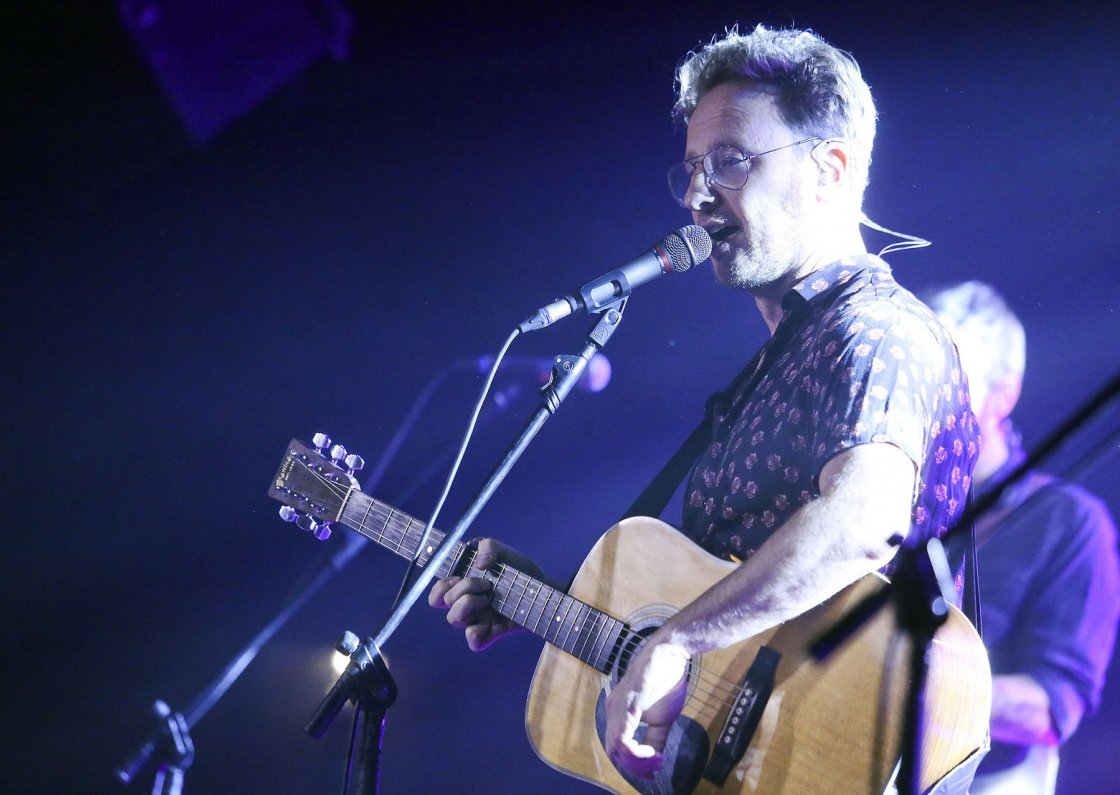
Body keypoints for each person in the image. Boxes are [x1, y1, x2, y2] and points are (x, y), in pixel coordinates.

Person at [429, 25, 979, 786]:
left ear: (830, 168)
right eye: (690, 169)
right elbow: (725, 632)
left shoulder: (878, 329)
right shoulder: (774, 367)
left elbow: (862, 522)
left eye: (729, 162)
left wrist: (676, 642)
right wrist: (549, 603)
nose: (696, 196)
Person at [924, 281, 1120, 795]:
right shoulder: (892, 498)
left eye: (949, 378)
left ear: (1004, 392)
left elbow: (1049, 709)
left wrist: (909, 678)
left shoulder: (1071, 523)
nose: (926, 397)